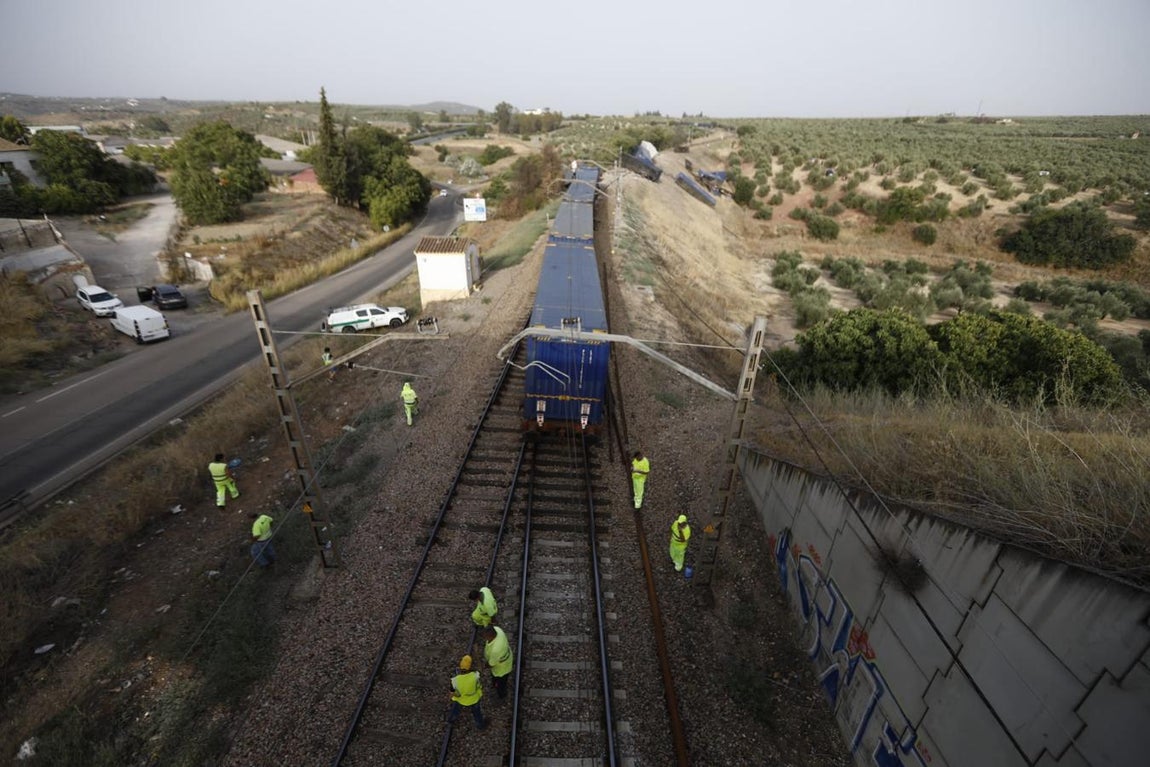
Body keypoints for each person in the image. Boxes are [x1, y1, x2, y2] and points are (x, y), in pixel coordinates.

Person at [447, 655, 487, 730]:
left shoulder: (455, 680)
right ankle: (480, 725)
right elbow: (479, 684)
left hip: (461, 699)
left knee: (455, 709)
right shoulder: (475, 676)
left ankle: (451, 720)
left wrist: (452, 697)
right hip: (474, 698)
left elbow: (452, 693)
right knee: (477, 713)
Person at [480, 625, 514, 699]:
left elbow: (491, 664)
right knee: (496, 679)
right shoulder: (497, 630)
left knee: (501, 683)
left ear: (491, 636)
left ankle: (501, 695)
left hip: (501, 669)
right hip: (506, 658)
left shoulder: (496, 649)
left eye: (485, 637)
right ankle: (495, 684)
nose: (484, 638)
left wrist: (484, 666)